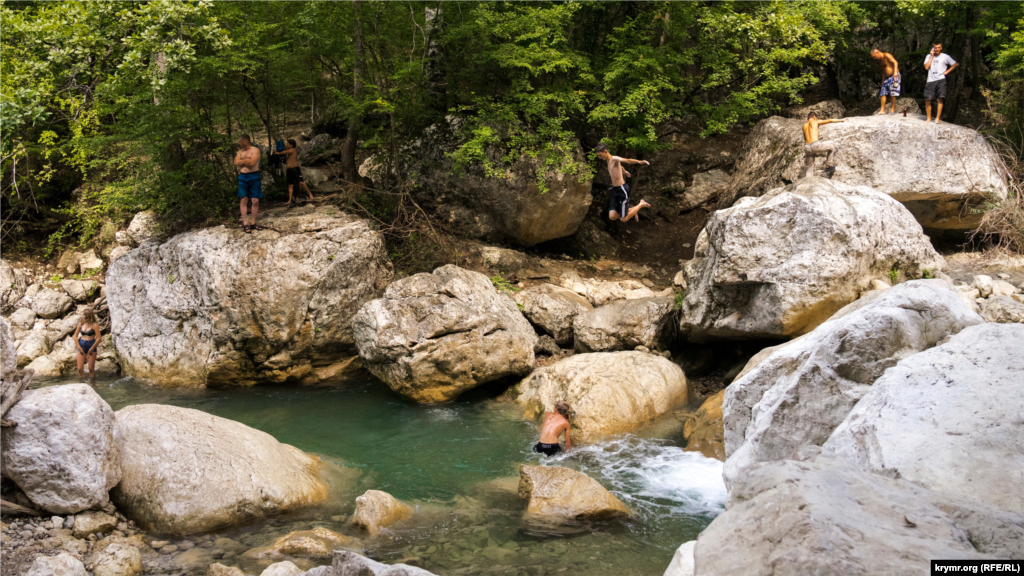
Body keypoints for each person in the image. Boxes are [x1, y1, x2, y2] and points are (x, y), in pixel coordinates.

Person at [595, 143, 651, 223]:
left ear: (605, 151)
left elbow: (627, 160)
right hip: (615, 190)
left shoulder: (614, 159)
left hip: (622, 190)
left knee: (623, 219)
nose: (599, 158)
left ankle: (641, 204)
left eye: (600, 155)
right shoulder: (608, 161)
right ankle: (632, 211)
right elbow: (620, 166)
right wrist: (624, 172)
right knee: (612, 216)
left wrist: (639, 162)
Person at [271, 139, 316, 205]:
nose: (286, 145)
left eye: (287, 144)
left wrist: (278, 153)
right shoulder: (287, 152)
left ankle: (310, 194)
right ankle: (290, 199)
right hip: (289, 170)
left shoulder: (293, 150)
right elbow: (285, 154)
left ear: (291, 145)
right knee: (290, 185)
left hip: (295, 169)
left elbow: (284, 152)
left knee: (301, 182)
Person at [802, 112, 847, 178]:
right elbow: (830, 120)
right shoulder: (815, 121)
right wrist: (842, 120)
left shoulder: (804, 125)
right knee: (831, 147)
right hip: (815, 144)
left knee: (809, 166)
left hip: (807, 147)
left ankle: (807, 180)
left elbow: (805, 138)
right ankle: (828, 166)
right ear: (814, 117)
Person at [234, 134, 263, 233]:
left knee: (255, 200)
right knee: (244, 199)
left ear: (245, 141)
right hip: (243, 177)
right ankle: (245, 224)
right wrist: (247, 160)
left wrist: (241, 161)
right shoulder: (240, 151)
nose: (239, 143)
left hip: (254, 176)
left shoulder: (255, 150)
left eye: (240, 141)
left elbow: (252, 163)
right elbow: (235, 162)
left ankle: (253, 223)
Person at [923, 42, 958, 124]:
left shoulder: (945, 56)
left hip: (941, 79)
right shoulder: (928, 56)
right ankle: (928, 118)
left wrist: (947, 72)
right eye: (935, 47)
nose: (937, 49)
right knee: (928, 99)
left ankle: (937, 118)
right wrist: (931, 56)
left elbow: (955, 64)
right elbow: (926, 67)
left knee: (940, 98)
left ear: (941, 48)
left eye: (938, 47)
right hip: (930, 80)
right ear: (933, 48)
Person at [871, 49, 901, 115]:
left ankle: (892, 109)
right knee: (883, 93)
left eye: (874, 56)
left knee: (893, 92)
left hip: (894, 75)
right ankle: (882, 110)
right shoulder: (880, 61)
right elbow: (883, 70)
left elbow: (895, 62)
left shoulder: (886, 55)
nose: (874, 58)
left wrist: (895, 72)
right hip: (887, 78)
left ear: (877, 52)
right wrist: (883, 80)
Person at [74, 308, 101, 380]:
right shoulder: (81, 324)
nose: (82, 316)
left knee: (91, 368)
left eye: (84, 315)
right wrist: (79, 347)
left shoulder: (94, 325)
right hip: (81, 344)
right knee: (80, 368)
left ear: (88, 316)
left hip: (91, 344)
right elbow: (75, 336)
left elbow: (99, 338)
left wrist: (92, 348)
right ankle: (82, 382)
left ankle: (92, 384)